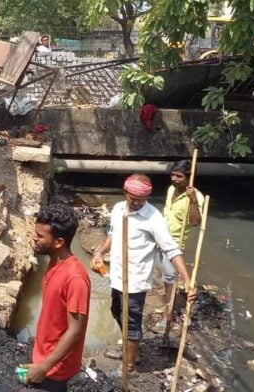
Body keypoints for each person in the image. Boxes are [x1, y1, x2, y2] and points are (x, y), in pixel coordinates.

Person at [90, 174, 197, 376]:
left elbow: (172, 250)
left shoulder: (153, 218)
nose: (137, 202)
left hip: (136, 280)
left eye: (142, 199)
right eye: (133, 198)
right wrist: (99, 253)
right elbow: (112, 236)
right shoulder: (118, 208)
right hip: (116, 275)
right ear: (126, 193)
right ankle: (131, 349)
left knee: (132, 320)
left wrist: (187, 279)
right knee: (116, 310)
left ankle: (130, 366)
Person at [22, 204, 90, 392]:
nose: (34, 238)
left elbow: (75, 330)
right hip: (45, 355)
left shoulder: (75, 278)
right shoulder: (54, 262)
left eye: (40, 236)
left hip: (56, 367)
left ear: (59, 242)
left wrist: (44, 367)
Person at [155, 160, 204, 329]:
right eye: (173, 174)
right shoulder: (171, 190)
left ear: (189, 178)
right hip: (159, 237)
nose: (174, 179)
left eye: (179, 176)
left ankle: (168, 314)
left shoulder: (196, 197)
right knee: (165, 277)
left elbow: (196, 222)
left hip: (175, 244)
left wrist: (193, 202)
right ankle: (168, 305)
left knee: (170, 278)